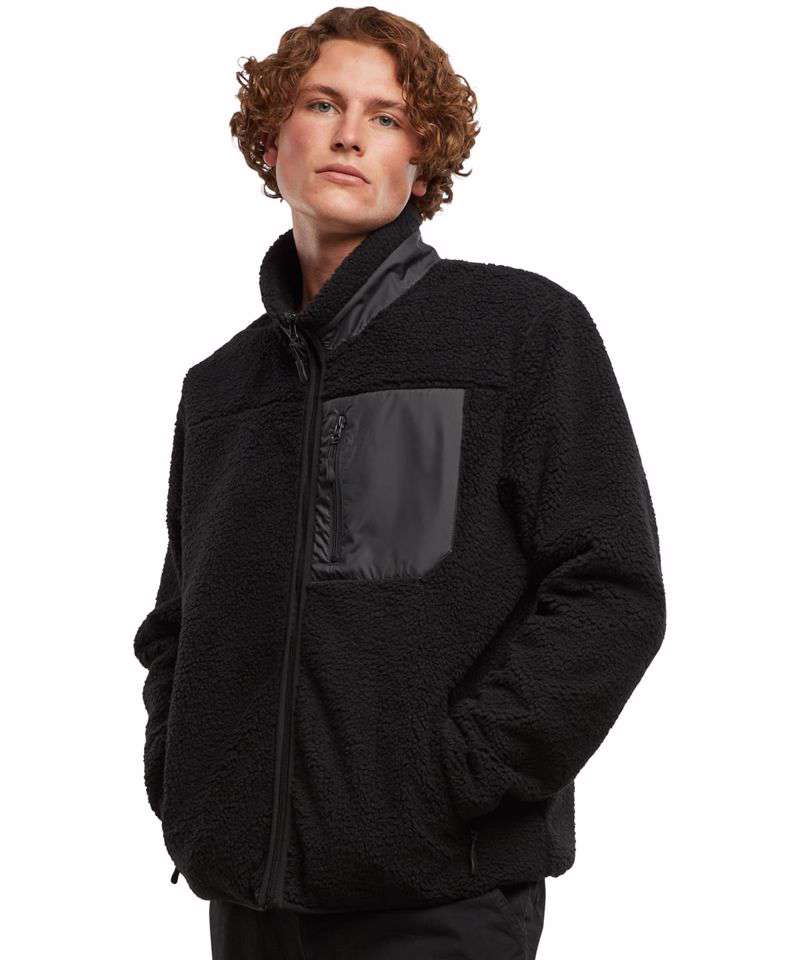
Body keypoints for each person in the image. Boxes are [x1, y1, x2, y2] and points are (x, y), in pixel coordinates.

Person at [132, 7, 666, 959]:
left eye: (385, 117)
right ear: (271, 141)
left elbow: (610, 588)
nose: (349, 133)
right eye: (321, 104)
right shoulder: (219, 389)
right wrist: (189, 784)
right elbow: (180, 623)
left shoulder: (515, 331)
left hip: (439, 893)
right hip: (249, 898)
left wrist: (458, 776)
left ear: (423, 166)